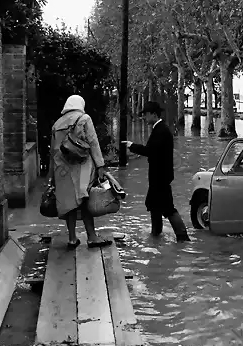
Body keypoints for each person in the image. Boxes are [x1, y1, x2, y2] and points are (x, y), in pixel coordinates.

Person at [48, 94, 112, 249]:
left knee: (68, 202)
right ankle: (92, 237)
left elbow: (53, 151)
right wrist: (100, 166)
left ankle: (71, 238)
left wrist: (51, 176)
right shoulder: (84, 119)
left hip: (61, 168)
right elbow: (93, 142)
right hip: (82, 165)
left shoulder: (57, 124)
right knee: (84, 200)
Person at [123, 101, 191, 242]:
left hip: (160, 177)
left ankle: (182, 238)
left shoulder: (161, 130)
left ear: (154, 114)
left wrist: (132, 146)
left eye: (146, 115)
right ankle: (156, 235)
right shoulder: (159, 129)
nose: (144, 118)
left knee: (167, 208)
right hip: (159, 176)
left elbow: (150, 151)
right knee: (154, 205)